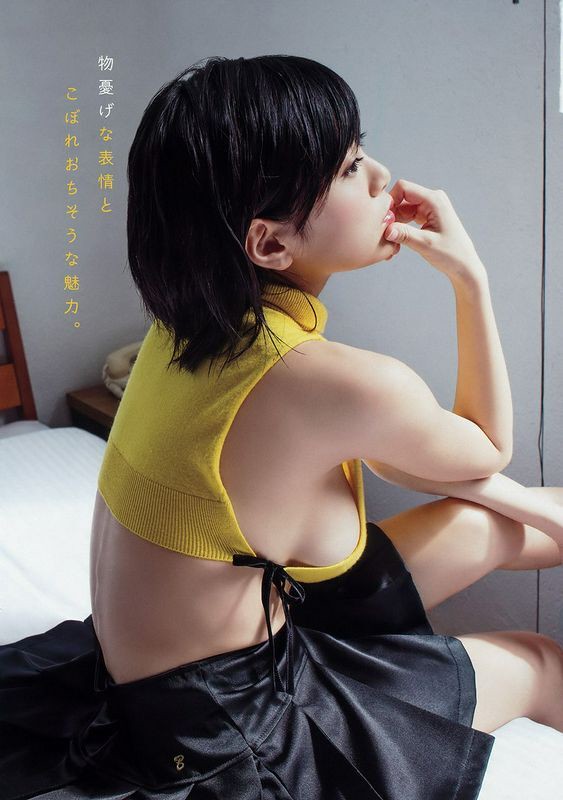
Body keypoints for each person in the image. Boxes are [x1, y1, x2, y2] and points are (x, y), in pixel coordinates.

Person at [2, 53, 563, 800]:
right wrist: (471, 280)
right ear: (268, 244)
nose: (383, 178)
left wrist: (512, 501)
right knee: (540, 659)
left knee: (487, 524)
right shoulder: (334, 382)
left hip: (156, 673)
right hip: (225, 732)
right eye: (351, 168)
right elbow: (484, 449)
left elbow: (439, 469)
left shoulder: (183, 331)